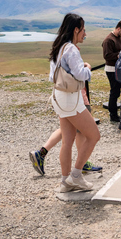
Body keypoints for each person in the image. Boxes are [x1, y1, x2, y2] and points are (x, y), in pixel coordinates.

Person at [48, 13, 100, 192]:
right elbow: (81, 75)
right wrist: (88, 68)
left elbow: (51, 75)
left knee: (67, 141)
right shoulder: (71, 49)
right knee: (94, 136)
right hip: (71, 99)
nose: (85, 34)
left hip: (59, 97)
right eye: (83, 29)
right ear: (76, 29)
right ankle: (76, 176)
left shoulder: (59, 47)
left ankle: (65, 182)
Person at [28, 88, 102, 176]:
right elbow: (82, 76)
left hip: (63, 99)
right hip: (77, 99)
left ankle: (41, 153)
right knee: (82, 133)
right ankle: (82, 165)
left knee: (66, 131)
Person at [101, 20, 121, 122]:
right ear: (118, 28)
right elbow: (107, 56)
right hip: (112, 70)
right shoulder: (108, 40)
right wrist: (120, 55)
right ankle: (113, 115)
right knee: (115, 92)